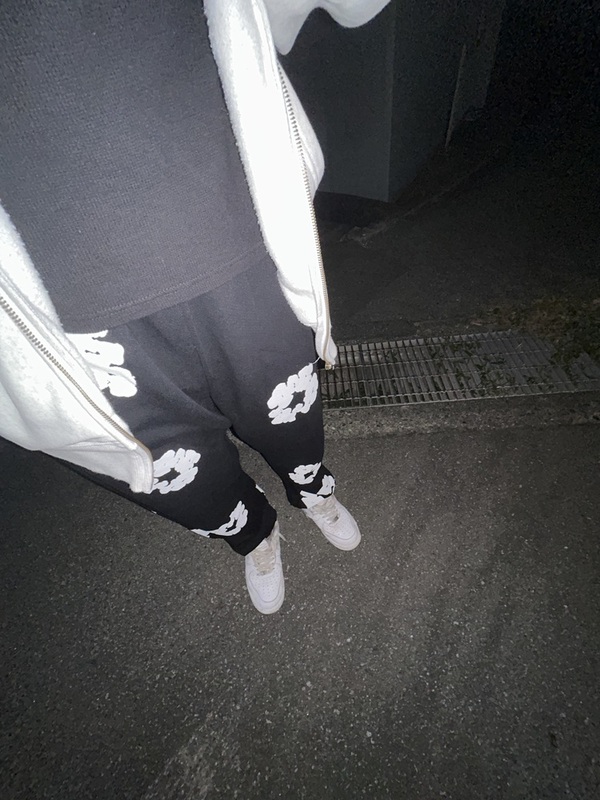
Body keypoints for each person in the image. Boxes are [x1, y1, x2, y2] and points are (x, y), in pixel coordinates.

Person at [0, 0, 389, 614]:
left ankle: (312, 488)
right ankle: (251, 533)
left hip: (229, 238)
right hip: (67, 314)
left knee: (289, 413)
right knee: (172, 476)